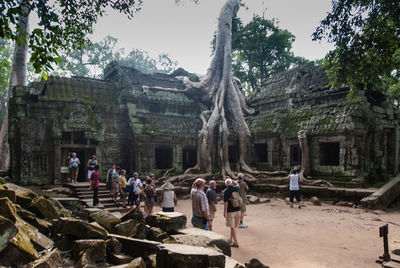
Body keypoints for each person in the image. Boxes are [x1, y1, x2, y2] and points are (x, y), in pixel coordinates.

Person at [224, 178, 240, 247]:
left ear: (225, 184)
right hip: (238, 209)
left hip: (230, 210)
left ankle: (236, 242)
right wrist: (234, 181)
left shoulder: (226, 191)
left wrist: (225, 211)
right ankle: (231, 239)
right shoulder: (236, 188)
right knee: (233, 226)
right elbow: (238, 184)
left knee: (232, 226)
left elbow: (226, 202)